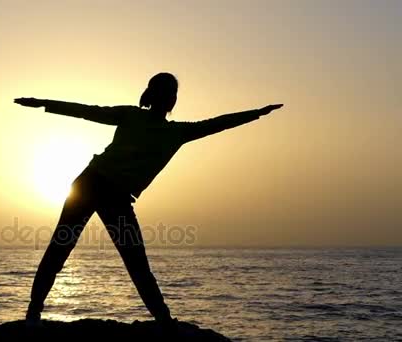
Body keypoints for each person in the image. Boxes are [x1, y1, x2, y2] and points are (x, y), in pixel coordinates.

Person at [14, 72, 283, 326]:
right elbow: (87, 111)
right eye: (167, 92)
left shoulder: (177, 132)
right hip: (90, 185)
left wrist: (256, 114)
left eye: (171, 92)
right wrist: (42, 103)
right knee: (62, 248)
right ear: (157, 96)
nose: (170, 97)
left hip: (113, 195)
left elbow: (217, 124)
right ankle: (34, 313)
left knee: (134, 261)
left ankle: (163, 320)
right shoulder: (135, 117)